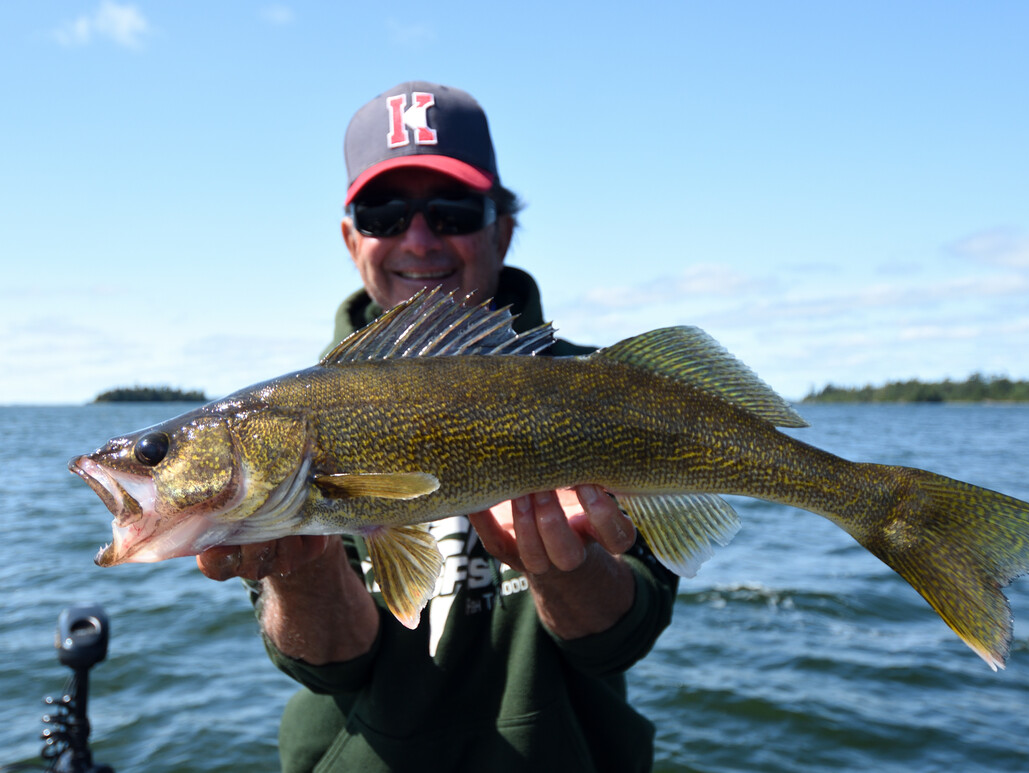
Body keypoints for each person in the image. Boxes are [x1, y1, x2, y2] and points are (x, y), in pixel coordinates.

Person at [197, 81, 678, 772]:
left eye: (452, 209)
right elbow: (335, 666)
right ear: (349, 237)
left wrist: (566, 573)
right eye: (383, 212)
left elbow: (620, 639)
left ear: (502, 229)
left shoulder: (609, 393)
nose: (418, 240)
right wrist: (303, 578)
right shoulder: (284, 422)